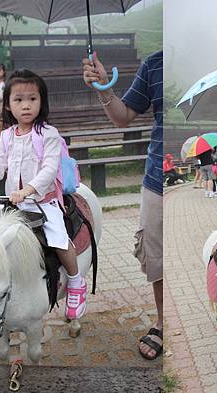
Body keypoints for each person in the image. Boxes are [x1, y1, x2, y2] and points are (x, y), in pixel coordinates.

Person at [0, 69, 87, 320]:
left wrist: (28, 190)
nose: (26, 105)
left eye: (32, 99)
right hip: (14, 205)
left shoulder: (48, 133)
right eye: (18, 100)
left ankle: (75, 281)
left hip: (43, 202)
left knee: (58, 239)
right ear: (8, 105)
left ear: (42, 101)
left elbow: (50, 168)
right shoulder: (6, 136)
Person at [82, 51, 163, 360]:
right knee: (157, 256)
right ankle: (162, 322)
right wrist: (104, 86)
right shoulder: (155, 64)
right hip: (157, 177)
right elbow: (124, 115)